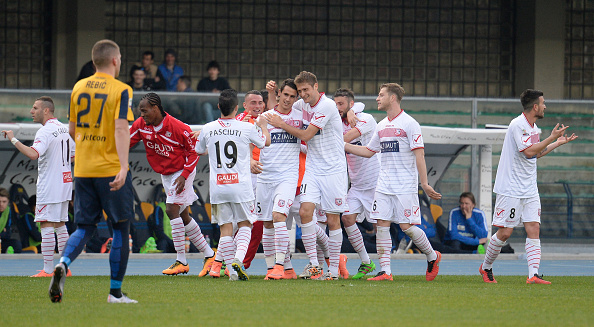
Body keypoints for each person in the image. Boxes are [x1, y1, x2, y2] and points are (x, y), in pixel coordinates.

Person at [49, 39, 137, 303]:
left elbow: (72, 129)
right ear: (114, 60)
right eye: (120, 57)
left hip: (84, 169)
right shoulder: (122, 89)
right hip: (110, 169)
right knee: (120, 228)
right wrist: (122, 166)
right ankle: (115, 293)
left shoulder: (78, 87)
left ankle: (63, 263)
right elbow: (122, 128)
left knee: (84, 226)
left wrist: (88, 150)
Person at [344, 83, 443, 281]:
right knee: (382, 225)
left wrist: (424, 183)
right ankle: (385, 271)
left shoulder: (410, 123)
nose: (377, 99)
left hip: (405, 186)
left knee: (407, 228)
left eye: (381, 95)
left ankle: (432, 256)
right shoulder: (381, 126)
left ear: (393, 98)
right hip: (383, 186)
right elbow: (368, 152)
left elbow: (420, 154)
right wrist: (343, 144)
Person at [479, 89, 578, 284]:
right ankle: (486, 267)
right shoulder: (518, 125)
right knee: (505, 232)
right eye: (543, 103)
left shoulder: (533, 128)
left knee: (533, 227)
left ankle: (533, 274)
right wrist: (550, 138)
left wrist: (557, 143)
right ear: (535, 106)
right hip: (511, 188)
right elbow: (528, 152)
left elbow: (535, 154)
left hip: (529, 188)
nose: (545, 106)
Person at [264, 71, 348, 280]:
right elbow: (281, 108)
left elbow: (306, 135)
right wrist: (272, 93)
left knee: (332, 219)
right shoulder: (302, 104)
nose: (302, 95)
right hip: (313, 168)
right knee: (304, 212)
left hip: (334, 170)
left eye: (305, 90)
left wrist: (283, 125)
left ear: (316, 87)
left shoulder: (326, 106)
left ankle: (334, 270)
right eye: (300, 91)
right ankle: (313, 264)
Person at [129, 92, 215, 276]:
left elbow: (193, 152)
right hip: (166, 174)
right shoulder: (141, 125)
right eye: (140, 112)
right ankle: (209, 255)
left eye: (144, 111)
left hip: (182, 171)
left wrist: (184, 175)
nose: (141, 115)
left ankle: (181, 261)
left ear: (155, 108)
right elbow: (126, 142)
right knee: (183, 216)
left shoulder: (177, 126)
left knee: (171, 210)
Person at [195, 89, 270, 281]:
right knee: (245, 225)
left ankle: (232, 272)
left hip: (218, 187)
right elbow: (263, 143)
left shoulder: (208, 127)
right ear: (237, 108)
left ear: (218, 107)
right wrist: (262, 126)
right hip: (241, 186)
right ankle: (237, 259)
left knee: (225, 229)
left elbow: (199, 150)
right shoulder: (245, 127)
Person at [2, 96, 73, 277]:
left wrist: (13, 139)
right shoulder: (63, 128)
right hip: (65, 182)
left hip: (50, 184)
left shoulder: (45, 131)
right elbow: (73, 155)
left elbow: (33, 154)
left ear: (46, 110)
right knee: (61, 224)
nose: (31, 111)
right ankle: (66, 267)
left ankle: (48, 270)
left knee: (46, 224)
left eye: (35, 108)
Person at [254, 79, 301, 279]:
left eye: (293, 96)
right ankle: (278, 268)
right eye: (286, 95)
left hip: (288, 177)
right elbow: (252, 140)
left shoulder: (301, 118)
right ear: (279, 93)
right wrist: (249, 161)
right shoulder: (264, 117)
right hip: (265, 176)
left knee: (278, 216)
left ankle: (279, 267)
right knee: (267, 223)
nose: (288, 99)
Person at [334, 88, 379, 279]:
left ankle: (430, 254)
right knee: (347, 218)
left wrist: (353, 112)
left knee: (397, 225)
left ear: (351, 105)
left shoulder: (366, 119)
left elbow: (345, 139)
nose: (337, 108)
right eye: (334, 104)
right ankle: (367, 262)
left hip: (376, 184)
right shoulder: (338, 121)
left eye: (341, 104)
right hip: (358, 186)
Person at [0, 188, 22, 253]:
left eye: (4, 202)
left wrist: (3, 234)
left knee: (16, 244)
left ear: (8, 202)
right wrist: (3, 233)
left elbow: (8, 234)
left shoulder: (8, 210)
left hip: (1, 241)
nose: (1, 204)